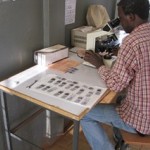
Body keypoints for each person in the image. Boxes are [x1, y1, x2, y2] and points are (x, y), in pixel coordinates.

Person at [80, 0, 150, 149]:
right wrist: (120, 53)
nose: (120, 22)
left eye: (121, 18)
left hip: (143, 122)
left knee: (84, 114)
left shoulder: (131, 42)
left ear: (131, 17)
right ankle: (120, 140)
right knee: (120, 99)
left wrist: (98, 64)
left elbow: (115, 84)